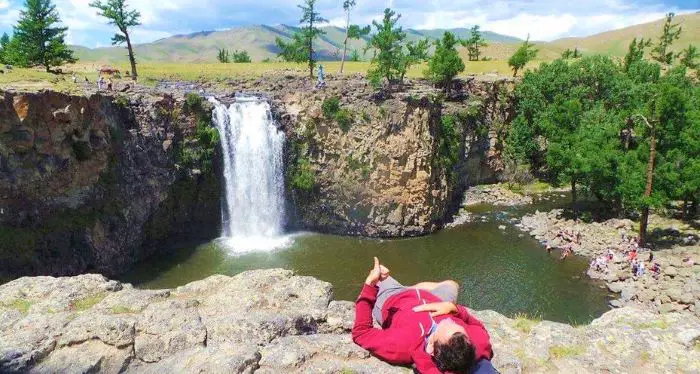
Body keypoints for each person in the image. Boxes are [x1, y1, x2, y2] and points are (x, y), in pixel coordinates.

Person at [353, 258, 494, 374]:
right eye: (456, 324)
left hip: (393, 298)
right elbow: (477, 326)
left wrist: (370, 285)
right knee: (452, 285)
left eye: (445, 325)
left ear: (431, 347)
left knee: (380, 276)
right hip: (437, 299)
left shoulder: (403, 344)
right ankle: (414, 289)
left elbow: (361, 333)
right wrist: (455, 309)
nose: (447, 319)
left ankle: (408, 288)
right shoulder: (474, 342)